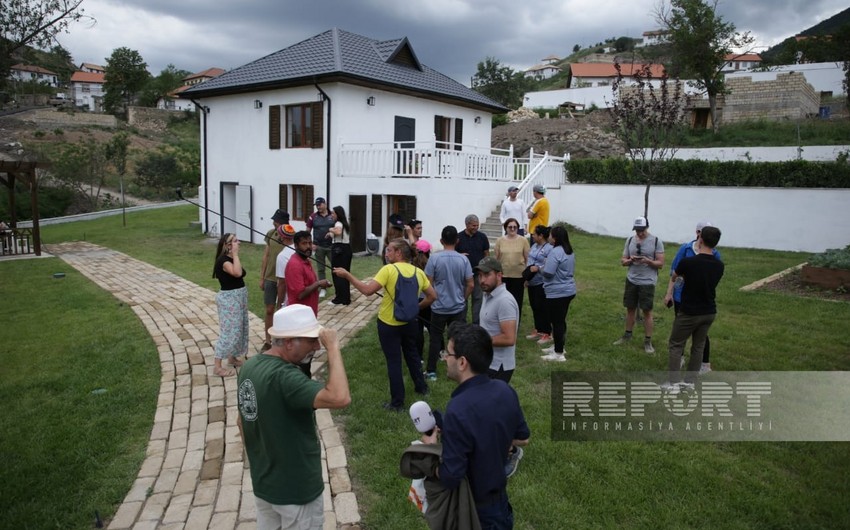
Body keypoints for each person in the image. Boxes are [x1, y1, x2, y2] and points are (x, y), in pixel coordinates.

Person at [237, 304, 351, 530]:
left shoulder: (250, 367)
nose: (317, 346)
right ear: (289, 343)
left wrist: (260, 461)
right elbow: (340, 397)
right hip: (297, 489)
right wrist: (333, 348)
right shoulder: (285, 377)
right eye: (312, 341)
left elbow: (241, 421)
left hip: (265, 484)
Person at [422, 322, 530, 529]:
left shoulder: (458, 409)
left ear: (462, 362)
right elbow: (523, 438)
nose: (444, 359)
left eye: (448, 354)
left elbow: (451, 476)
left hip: (474, 512)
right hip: (500, 506)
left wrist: (430, 447)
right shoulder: (505, 390)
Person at [334, 238, 436, 412]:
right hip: (410, 322)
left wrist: (347, 275)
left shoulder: (388, 270)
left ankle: (397, 403)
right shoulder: (418, 272)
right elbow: (432, 296)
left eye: (389, 250)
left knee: (394, 361)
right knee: (412, 355)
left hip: (389, 324)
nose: (386, 254)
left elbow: (367, 291)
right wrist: (415, 308)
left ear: (399, 253)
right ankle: (422, 388)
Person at [663, 226, 724, 391]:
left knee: (676, 344)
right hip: (709, 311)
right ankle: (690, 382)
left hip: (689, 311)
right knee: (698, 346)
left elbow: (674, 276)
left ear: (700, 239)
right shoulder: (719, 265)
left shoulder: (688, 263)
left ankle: (674, 383)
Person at [424, 225, 474, 381]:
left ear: (441, 241)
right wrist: (463, 298)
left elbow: (428, 284)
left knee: (435, 339)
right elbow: (471, 284)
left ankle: (431, 371)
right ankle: (461, 368)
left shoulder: (434, 258)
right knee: (458, 339)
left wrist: (433, 298)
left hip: (438, 306)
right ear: (457, 241)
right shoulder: (463, 259)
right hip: (458, 307)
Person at [613, 216, 665, 354]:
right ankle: (627, 335)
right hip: (632, 279)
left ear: (647, 227)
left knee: (647, 311)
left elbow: (660, 264)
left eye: (642, 230)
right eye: (637, 230)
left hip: (647, 281)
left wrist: (648, 261)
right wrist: (630, 260)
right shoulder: (630, 240)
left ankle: (648, 341)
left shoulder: (656, 241)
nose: (639, 233)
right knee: (630, 308)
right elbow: (623, 261)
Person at [475, 257, 519, 383]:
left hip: (498, 366)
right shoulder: (488, 294)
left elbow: (509, 338)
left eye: (487, 275)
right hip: (487, 361)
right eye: (480, 275)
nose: (482, 280)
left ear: (499, 275)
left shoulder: (504, 301)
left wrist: (479, 341)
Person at [212, 233, 248, 377]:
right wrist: (236, 254)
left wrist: (234, 255)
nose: (239, 243)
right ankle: (217, 367)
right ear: (228, 245)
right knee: (229, 331)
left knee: (238, 329)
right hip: (229, 299)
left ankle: (232, 358)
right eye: (235, 241)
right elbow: (237, 273)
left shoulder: (231, 258)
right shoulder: (224, 261)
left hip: (238, 298)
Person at [539, 226, 577, 363]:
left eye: (550, 235)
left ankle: (559, 353)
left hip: (557, 293)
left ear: (554, 238)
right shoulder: (569, 251)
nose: (548, 237)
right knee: (560, 320)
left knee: (557, 322)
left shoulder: (555, 252)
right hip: (568, 290)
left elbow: (549, 273)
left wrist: (540, 268)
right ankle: (558, 346)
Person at [259, 209, 290, 350]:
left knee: (283, 310)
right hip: (270, 278)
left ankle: (283, 340)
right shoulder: (271, 234)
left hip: (285, 279)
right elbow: (266, 256)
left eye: (276, 221)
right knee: (269, 309)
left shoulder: (291, 235)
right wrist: (262, 277)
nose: (274, 223)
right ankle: (268, 340)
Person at [286, 230, 332, 316]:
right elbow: (300, 294)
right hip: (300, 314)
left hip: (310, 312)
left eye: (310, 243)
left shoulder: (306, 260)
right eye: (304, 243)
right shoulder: (294, 265)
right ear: (296, 246)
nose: (308, 246)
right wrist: (319, 283)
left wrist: (322, 283)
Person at [456, 214, 490, 325]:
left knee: (478, 298)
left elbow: (486, 253)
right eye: (473, 225)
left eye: (477, 225)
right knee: (463, 298)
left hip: (478, 273)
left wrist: (486, 267)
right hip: (462, 275)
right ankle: (462, 323)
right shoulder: (458, 238)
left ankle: (477, 324)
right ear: (467, 225)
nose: (476, 228)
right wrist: (459, 255)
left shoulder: (482, 237)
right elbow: (452, 253)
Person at [494, 218, 529, 323]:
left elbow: (527, 259)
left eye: (515, 227)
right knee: (503, 301)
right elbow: (496, 259)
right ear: (506, 228)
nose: (512, 229)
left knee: (517, 301)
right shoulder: (499, 240)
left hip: (519, 276)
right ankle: (503, 321)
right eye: (510, 227)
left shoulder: (523, 240)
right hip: (503, 276)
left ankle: (516, 323)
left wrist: (527, 277)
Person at [525, 225, 552, 345]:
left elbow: (550, 264)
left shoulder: (549, 248)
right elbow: (529, 261)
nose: (533, 236)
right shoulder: (534, 246)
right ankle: (538, 329)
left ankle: (547, 332)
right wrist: (527, 278)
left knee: (542, 307)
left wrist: (539, 268)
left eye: (535, 234)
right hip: (531, 281)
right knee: (534, 306)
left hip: (542, 282)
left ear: (541, 236)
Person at [306, 197, 334, 298]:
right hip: (318, 246)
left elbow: (338, 228)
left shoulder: (332, 215)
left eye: (320, 205)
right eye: (317, 205)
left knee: (335, 267)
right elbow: (307, 231)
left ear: (325, 204)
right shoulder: (313, 217)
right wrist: (310, 244)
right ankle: (323, 288)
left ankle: (339, 286)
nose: (318, 207)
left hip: (331, 246)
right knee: (321, 269)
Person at [327, 205, 353, 306]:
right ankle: (346, 298)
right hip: (346, 249)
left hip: (339, 250)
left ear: (338, 214)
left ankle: (339, 298)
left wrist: (330, 229)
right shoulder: (344, 223)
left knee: (337, 273)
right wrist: (329, 234)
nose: (332, 215)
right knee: (345, 274)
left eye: (333, 213)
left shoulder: (338, 223)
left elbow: (338, 231)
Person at [274, 224, 297, 309]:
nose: (277, 237)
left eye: (278, 234)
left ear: (282, 237)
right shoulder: (300, 248)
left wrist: (279, 304)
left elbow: (282, 282)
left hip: (289, 300)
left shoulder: (282, 256)